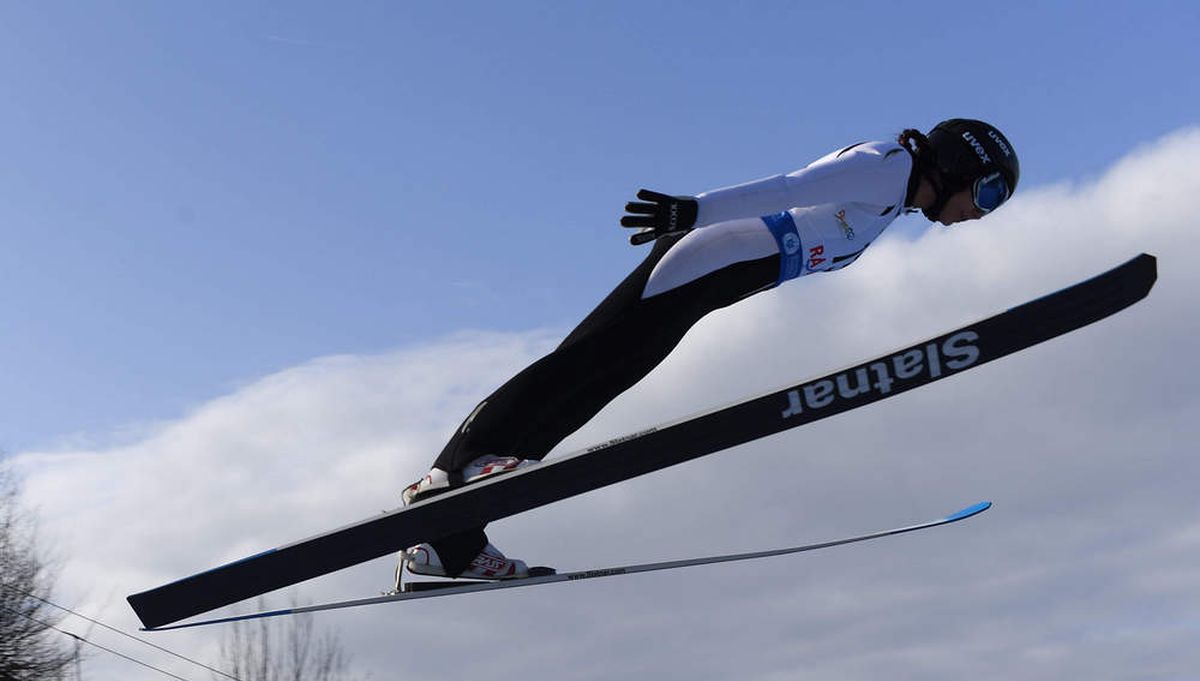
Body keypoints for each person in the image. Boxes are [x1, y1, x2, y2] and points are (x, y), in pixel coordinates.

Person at [396, 118, 1020, 582]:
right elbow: (788, 187)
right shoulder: (886, 165)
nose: (980, 214)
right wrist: (693, 210)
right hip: (704, 257)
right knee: (584, 362)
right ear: (960, 166)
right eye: (987, 195)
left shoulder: (894, 197)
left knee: (602, 378)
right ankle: (451, 471)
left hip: (719, 279)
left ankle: (452, 538)